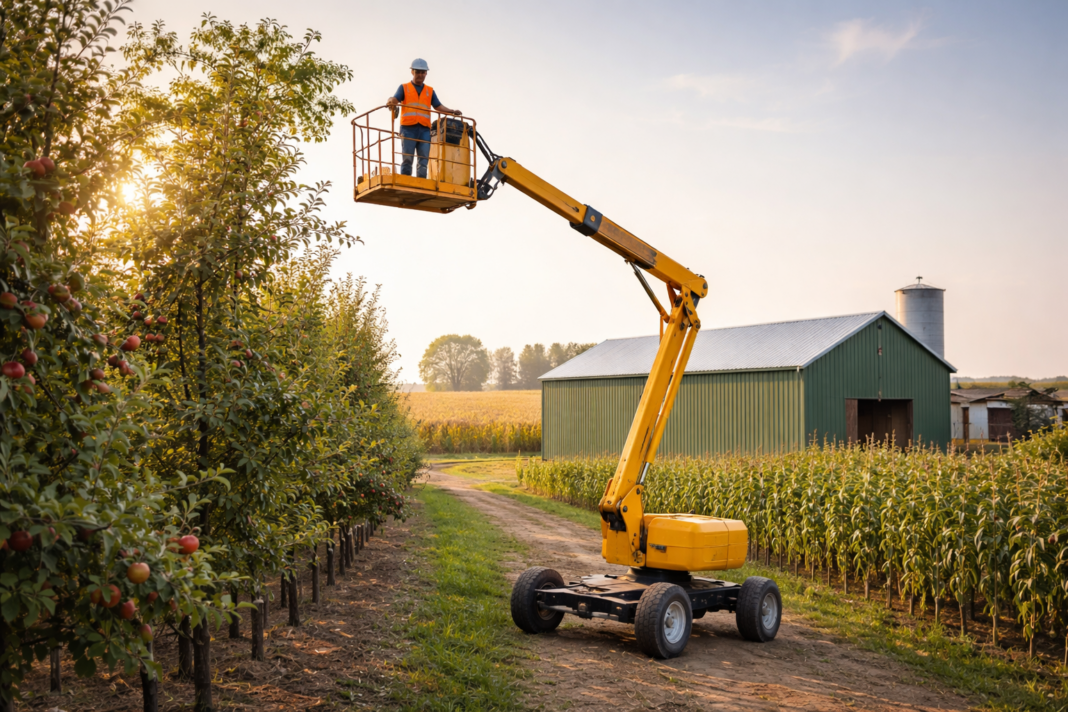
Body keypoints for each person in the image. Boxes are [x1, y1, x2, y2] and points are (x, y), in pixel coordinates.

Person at [386, 58, 462, 179]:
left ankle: (421, 182)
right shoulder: (404, 87)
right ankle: (405, 179)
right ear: (412, 72)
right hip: (408, 129)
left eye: (423, 72)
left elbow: (438, 106)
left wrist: (451, 111)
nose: (420, 75)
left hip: (424, 130)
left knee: (423, 160)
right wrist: (391, 101)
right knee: (407, 158)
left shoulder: (430, 91)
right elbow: (395, 99)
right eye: (418, 72)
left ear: (426, 73)